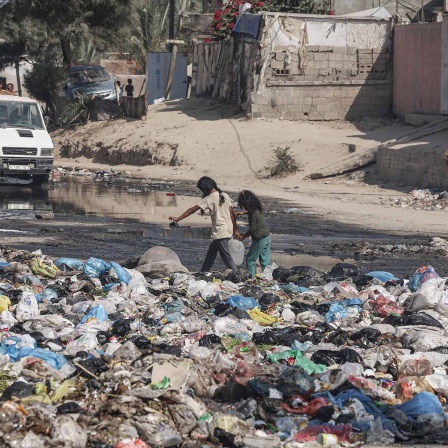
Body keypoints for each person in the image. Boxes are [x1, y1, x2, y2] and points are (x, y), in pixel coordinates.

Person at [169, 176, 240, 273]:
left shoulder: (209, 198)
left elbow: (192, 210)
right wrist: (235, 230)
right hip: (227, 228)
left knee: (226, 255)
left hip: (220, 231)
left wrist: (178, 219)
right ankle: (204, 270)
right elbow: (232, 214)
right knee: (212, 250)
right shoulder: (225, 195)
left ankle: (235, 273)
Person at [236, 190, 271, 277]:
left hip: (260, 239)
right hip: (267, 237)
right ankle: (269, 277)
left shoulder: (252, 214)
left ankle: (250, 278)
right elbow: (252, 212)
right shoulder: (257, 209)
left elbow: (253, 228)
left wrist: (244, 236)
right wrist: (244, 212)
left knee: (250, 260)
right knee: (265, 261)